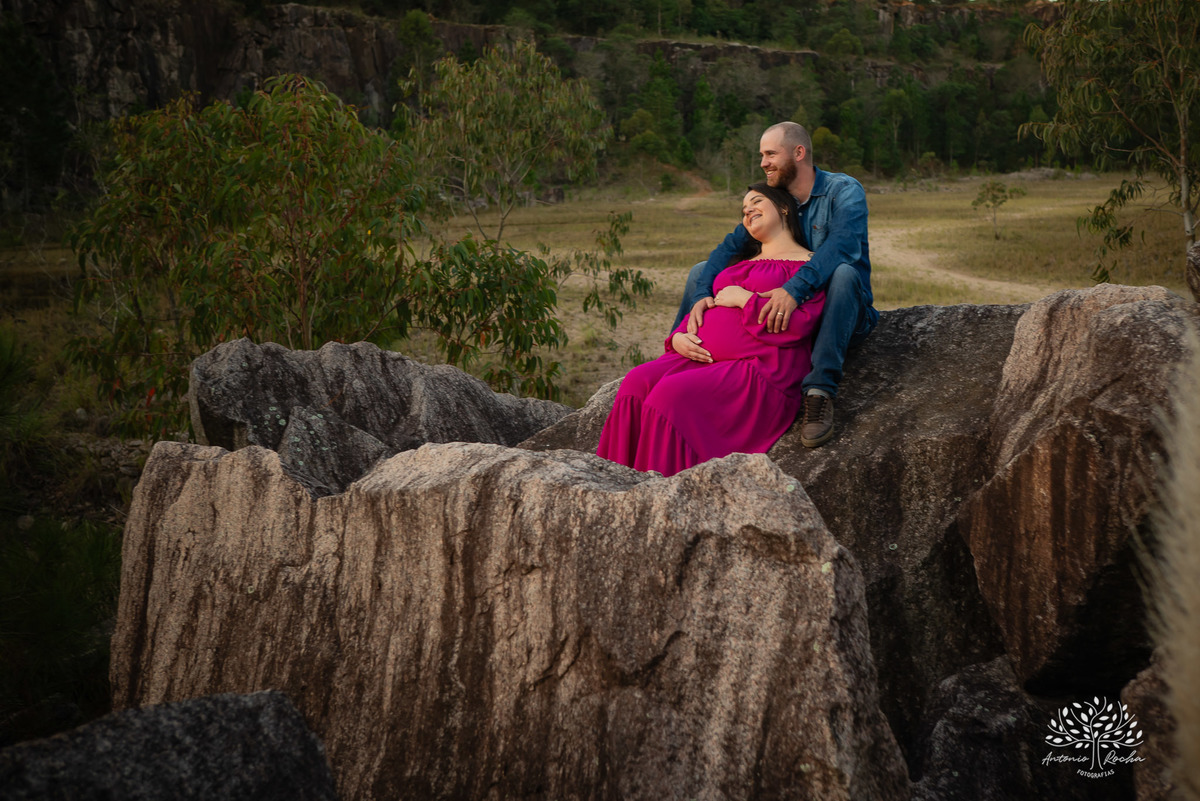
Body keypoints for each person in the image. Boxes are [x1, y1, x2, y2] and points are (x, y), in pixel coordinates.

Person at [596, 182, 826, 477]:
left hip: (760, 369)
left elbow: (797, 327)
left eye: (756, 201)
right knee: (636, 383)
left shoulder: (807, 266)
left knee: (669, 396)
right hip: (700, 359)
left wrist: (745, 300)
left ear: (783, 208)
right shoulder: (736, 265)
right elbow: (702, 310)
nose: (748, 211)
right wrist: (677, 338)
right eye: (744, 209)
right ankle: (617, 482)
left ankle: (662, 496)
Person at [673, 121, 877, 448]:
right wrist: (701, 295)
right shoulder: (777, 200)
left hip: (834, 312)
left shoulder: (844, 191)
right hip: (784, 320)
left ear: (798, 153)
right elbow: (727, 249)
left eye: (770, 154)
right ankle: (680, 350)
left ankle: (819, 394)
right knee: (701, 272)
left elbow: (841, 247)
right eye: (761, 155)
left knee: (844, 274)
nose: (763, 163)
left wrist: (794, 290)